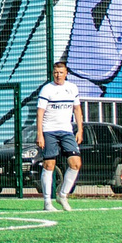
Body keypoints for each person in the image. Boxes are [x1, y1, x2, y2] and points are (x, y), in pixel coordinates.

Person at [35, 61, 85, 210]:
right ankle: (47, 202)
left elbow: (77, 110)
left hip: (67, 131)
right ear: (53, 73)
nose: (58, 75)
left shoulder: (72, 88)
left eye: (61, 72)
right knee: (49, 164)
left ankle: (62, 195)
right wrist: (40, 134)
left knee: (75, 163)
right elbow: (40, 112)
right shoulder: (47, 89)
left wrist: (80, 130)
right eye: (56, 72)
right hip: (49, 130)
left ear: (66, 73)